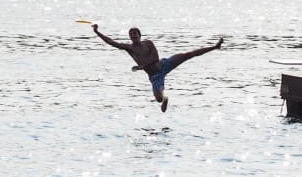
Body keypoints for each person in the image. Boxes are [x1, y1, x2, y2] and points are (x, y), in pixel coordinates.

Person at [92, 25, 223, 112]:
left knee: (188, 55)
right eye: (130, 34)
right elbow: (111, 42)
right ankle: (165, 99)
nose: (133, 35)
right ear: (129, 37)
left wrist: (142, 66)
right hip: (155, 77)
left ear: (139, 35)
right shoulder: (129, 48)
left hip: (164, 64)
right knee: (159, 98)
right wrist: (97, 32)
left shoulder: (148, 43)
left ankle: (215, 47)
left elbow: (155, 57)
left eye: (135, 33)